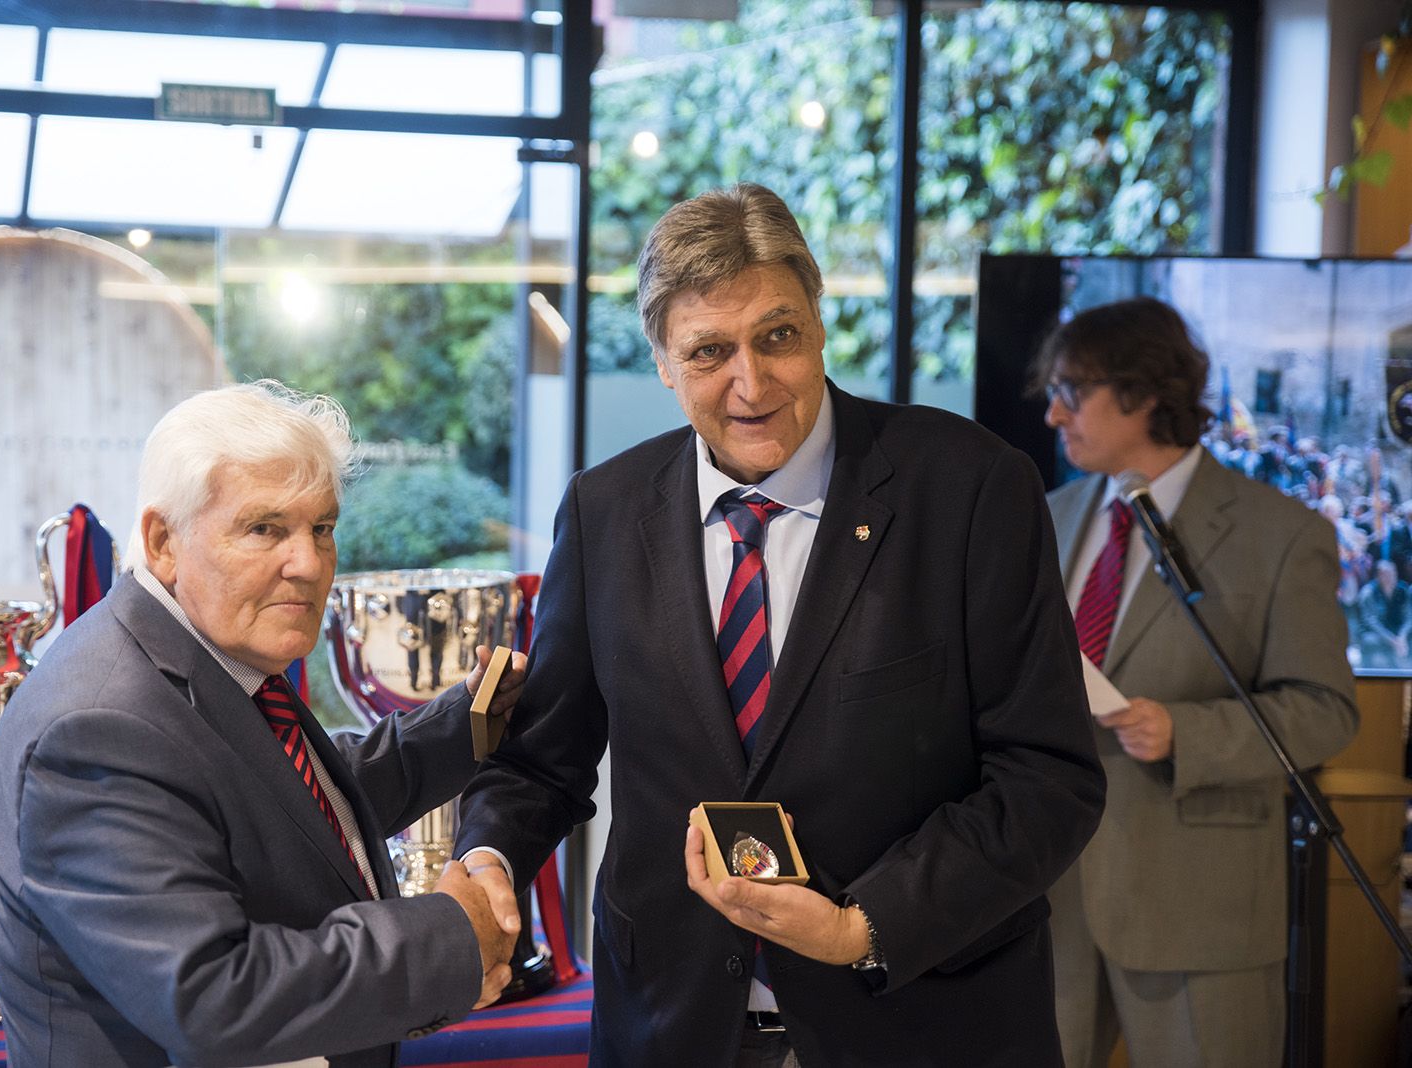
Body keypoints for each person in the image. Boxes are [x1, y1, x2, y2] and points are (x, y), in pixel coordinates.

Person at [453, 183, 1106, 1066]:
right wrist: (490, 860)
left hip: (921, 1022)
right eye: (710, 350)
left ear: (820, 322)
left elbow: (1047, 776)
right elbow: (542, 759)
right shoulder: (604, 510)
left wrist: (859, 928)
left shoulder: (969, 488)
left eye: (779, 335)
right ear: (661, 360)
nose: (751, 383)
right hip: (673, 1029)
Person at [0, 381, 528, 1068]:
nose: (307, 564)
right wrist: (450, 939)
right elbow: (212, 995)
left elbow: (284, 805)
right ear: (162, 541)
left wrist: (468, 721)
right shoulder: (98, 726)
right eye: (265, 528)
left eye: (321, 529)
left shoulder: (203, 647)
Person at [1033, 297, 1359, 1067]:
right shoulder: (1045, 517)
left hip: (1197, 905)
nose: (1052, 415)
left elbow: (1326, 711)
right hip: (1047, 900)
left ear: (1143, 395)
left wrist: (1188, 731)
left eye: (1072, 393)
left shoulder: (1281, 535)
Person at [1357, 558, 1412, 668]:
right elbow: (1372, 622)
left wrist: (1402, 636)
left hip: (1398, 632)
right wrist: (1392, 640)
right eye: (1386, 574)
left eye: (1393, 572)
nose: (1391, 576)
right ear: (1378, 576)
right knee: (1369, 641)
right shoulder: (1368, 593)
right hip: (1377, 634)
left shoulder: (1404, 590)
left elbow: (1409, 616)